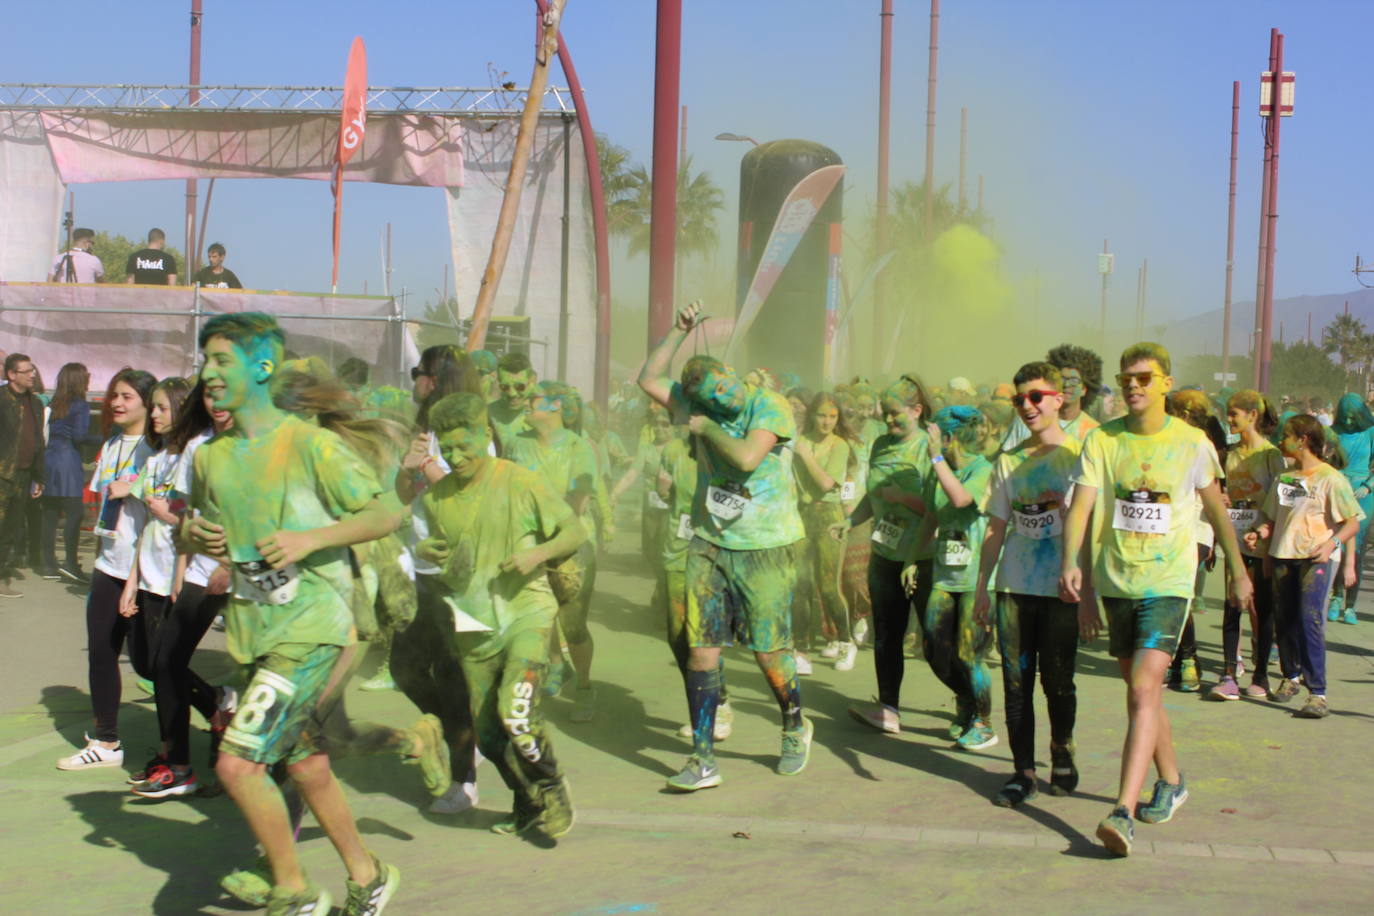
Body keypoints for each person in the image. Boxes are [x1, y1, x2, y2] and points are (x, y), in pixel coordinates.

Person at [181, 312, 403, 915]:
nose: (209, 373)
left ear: (263, 366)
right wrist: (193, 537)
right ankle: (369, 873)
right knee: (306, 765)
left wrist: (311, 539)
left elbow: (386, 513)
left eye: (223, 360)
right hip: (255, 633)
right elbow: (195, 527)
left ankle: (294, 889)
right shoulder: (210, 457)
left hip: (312, 628)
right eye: (206, 360)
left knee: (236, 764)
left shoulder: (310, 444)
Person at [1060, 342, 1252, 857]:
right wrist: (1072, 565)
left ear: (1166, 382)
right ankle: (1171, 780)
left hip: (1168, 582)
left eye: (1144, 378)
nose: (1134, 386)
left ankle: (1122, 811)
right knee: (1140, 691)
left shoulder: (1192, 444)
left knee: (1144, 689)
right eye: (1127, 379)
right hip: (1117, 582)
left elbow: (1217, 509)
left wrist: (1237, 571)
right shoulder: (1102, 441)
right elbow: (1080, 508)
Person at [639, 301, 812, 792]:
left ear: (732, 372)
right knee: (701, 653)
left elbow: (744, 457)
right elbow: (649, 378)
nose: (723, 397)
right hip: (710, 544)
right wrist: (678, 330)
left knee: (767, 652)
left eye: (724, 386)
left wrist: (705, 427)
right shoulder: (701, 405)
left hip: (766, 547)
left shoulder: (768, 404)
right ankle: (703, 757)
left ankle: (795, 725)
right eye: (712, 399)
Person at [416, 391, 583, 840]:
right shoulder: (436, 500)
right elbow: (443, 557)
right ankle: (527, 801)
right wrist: (424, 550)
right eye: (445, 449)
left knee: (518, 712)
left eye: (462, 445)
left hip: (527, 612)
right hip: (474, 627)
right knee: (488, 737)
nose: (454, 457)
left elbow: (574, 530)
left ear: (485, 434)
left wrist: (539, 555)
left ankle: (552, 785)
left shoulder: (521, 481)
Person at [974, 361, 1090, 807]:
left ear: (1059, 399)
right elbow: (995, 528)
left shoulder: (1082, 456)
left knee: (1058, 682)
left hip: (1062, 589)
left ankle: (1062, 748)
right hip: (1014, 587)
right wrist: (982, 585)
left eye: (1036, 397)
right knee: (1016, 682)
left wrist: (1089, 595)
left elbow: (1093, 527)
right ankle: (1023, 772)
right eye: (1020, 399)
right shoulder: (1009, 462)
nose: (1027, 406)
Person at [393, 343, 485, 814]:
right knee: (403, 668)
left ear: (439, 379)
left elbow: (466, 497)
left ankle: (464, 779)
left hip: (460, 577)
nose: (415, 381)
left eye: (420, 373)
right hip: (420, 569)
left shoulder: (473, 432)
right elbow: (405, 491)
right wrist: (408, 473)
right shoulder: (423, 429)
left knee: (452, 678)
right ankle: (460, 729)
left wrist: (427, 466)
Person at [56, 369, 157, 770]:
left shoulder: (159, 448)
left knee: (151, 665)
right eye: (114, 395)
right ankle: (107, 743)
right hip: (108, 565)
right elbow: (104, 502)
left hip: (147, 573)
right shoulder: (113, 442)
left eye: (127, 396)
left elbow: (171, 507)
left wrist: (134, 488)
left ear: (148, 403)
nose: (116, 402)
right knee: (101, 652)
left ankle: (214, 705)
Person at [1245, 414, 1364, 719]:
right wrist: (1259, 533)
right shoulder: (1286, 479)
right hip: (1284, 556)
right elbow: (1273, 519)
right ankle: (1290, 676)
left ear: (1302, 440)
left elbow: (1351, 522)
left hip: (1315, 560)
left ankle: (1318, 693)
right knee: (1284, 620)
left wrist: (1332, 545)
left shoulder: (1330, 478)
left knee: (1309, 619)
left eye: (1286, 435)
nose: (1281, 440)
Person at [839, 374, 936, 734]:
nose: (890, 420)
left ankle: (972, 707)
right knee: (886, 636)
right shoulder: (879, 446)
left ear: (916, 410)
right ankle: (888, 707)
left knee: (935, 641)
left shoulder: (930, 447)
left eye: (897, 414)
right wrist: (849, 522)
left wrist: (902, 499)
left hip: (923, 558)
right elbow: (874, 495)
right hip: (885, 555)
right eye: (887, 414)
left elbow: (940, 507)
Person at [503, 381, 601, 722]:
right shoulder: (516, 443)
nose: (526, 402)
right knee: (538, 618)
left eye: (535, 399)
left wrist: (547, 541)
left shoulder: (579, 448)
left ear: (557, 406)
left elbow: (578, 501)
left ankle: (585, 688)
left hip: (569, 549)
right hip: (528, 546)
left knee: (573, 626)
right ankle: (556, 668)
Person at [908, 405, 997, 751]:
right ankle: (966, 700)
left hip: (977, 579)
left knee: (970, 651)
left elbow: (960, 499)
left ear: (947, 438)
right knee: (933, 647)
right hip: (945, 577)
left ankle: (984, 722)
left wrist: (935, 459)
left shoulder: (983, 469)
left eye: (932, 437)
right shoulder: (936, 471)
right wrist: (912, 559)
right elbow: (931, 517)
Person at [1209, 390, 1287, 701]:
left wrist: (1265, 531)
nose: (1228, 420)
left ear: (1252, 415)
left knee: (1263, 607)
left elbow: (1280, 499)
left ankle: (1261, 675)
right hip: (1234, 539)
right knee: (1232, 604)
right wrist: (1223, 498)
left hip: (1263, 542)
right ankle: (1228, 674)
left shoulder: (1271, 456)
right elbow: (1220, 491)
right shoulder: (1229, 454)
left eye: (1234, 414)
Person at [793, 392, 857, 671]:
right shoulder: (799, 441)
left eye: (833, 416)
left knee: (829, 585)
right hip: (801, 516)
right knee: (800, 584)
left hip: (829, 516)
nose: (827, 421)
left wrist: (805, 456)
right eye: (822, 415)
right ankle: (801, 649)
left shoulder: (840, 445)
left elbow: (825, 483)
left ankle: (846, 641)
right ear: (812, 415)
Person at [39, 363, 95, 582]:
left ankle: (48, 564)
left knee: (49, 514)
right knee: (75, 513)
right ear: (79, 380)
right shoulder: (80, 405)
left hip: (49, 460)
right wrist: (104, 438)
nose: (89, 379)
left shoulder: (55, 403)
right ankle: (71, 563)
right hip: (67, 461)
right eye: (87, 376)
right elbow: (80, 437)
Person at [0, 354, 47, 597]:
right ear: (11, 375)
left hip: (24, 475)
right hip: (1, 475)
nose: (32, 374)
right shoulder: (1, 400)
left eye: (33, 370)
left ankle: (0, 577)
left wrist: (39, 476)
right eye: (27, 371)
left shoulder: (35, 403)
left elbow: (38, 440)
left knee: (11, 529)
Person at [1329, 393, 1374, 626]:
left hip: (1362, 494)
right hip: (1338, 489)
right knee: (1337, 546)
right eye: (1344, 417)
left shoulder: (1371, 432)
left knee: (1356, 549)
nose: (1348, 422)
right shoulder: (1333, 432)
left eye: (1352, 417)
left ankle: (1351, 605)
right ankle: (1335, 597)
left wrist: (1368, 486)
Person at [491, 351, 536, 451]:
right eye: (505, 387)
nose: (512, 394)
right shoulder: (488, 415)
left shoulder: (544, 416)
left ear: (531, 382)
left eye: (519, 387)